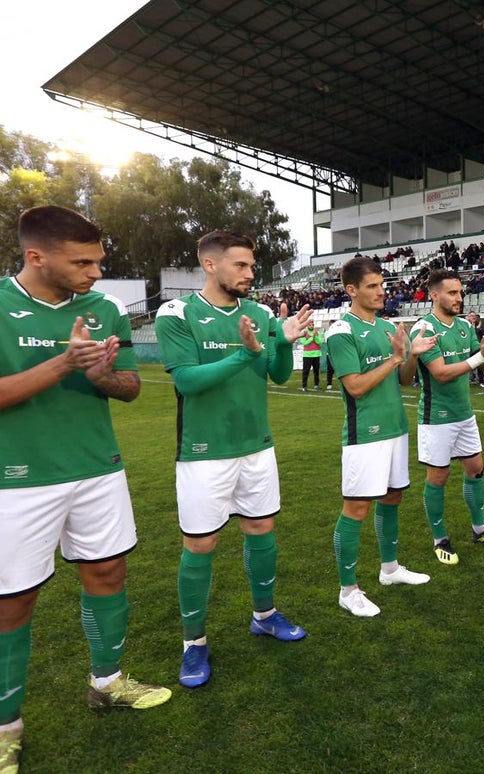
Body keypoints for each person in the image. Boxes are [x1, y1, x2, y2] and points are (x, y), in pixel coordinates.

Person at [0, 206, 171, 769]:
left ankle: (107, 682)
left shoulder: (105, 310)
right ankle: (6, 726)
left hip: (98, 467)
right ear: (35, 257)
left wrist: (101, 376)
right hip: (16, 479)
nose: (96, 273)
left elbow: (130, 387)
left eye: (98, 261)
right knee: (13, 601)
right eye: (82, 263)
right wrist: (63, 364)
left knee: (108, 572)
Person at [155, 230, 314, 690]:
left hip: (256, 445)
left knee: (261, 528)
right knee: (201, 544)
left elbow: (276, 375)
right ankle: (194, 642)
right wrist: (246, 353)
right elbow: (188, 381)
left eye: (252, 265)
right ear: (210, 264)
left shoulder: (259, 313)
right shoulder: (177, 313)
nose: (250, 273)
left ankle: (264, 615)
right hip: (203, 452)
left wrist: (282, 342)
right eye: (240, 265)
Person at [325, 256, 438, 617]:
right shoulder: (340, 331)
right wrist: (393, 358)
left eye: (382, 285)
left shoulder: (387, 326)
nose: (381, 292)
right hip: (365, 434)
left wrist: (409, 356)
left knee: (392, 498)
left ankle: (389, 569)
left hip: (395, 428)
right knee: (356, 508)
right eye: (372, 286)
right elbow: (356, 387)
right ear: (351, 290)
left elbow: (404, 379)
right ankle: (347, 590)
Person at [411, 270, 484, 562]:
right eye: (452, 293)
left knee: (476, 469)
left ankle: (480, 529)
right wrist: (480, 356)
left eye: (460, 292)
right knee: (438, 477)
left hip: (464, 415)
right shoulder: (423, 329)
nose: (459, 298)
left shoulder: (464, 325)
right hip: (437, 417)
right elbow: (440, 373)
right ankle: (440, 539)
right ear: (434, 295)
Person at [466, 311, 484, 387]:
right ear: (468, 317)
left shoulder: (479, 328)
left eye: (474, 316)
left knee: (479, 365)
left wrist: (482, 346)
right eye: (471, 315)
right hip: (468, 349)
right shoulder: (465, 327)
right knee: (468, 365)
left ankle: (481, 381)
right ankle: (470, 379)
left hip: (478, 349)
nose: (473, 317)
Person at [298, 321, 323, 391]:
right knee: (306, 371)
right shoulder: (304, 333)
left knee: (316, 371)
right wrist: (312, 337)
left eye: (312, 325)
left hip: (316, 354)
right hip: (307, 355)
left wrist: (315, 337)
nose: (311, 326)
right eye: (310, 325)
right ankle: (304, 386)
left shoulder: (317, 332)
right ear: (307, 326)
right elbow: (304, 343)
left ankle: (316, 385)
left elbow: (320, 342)